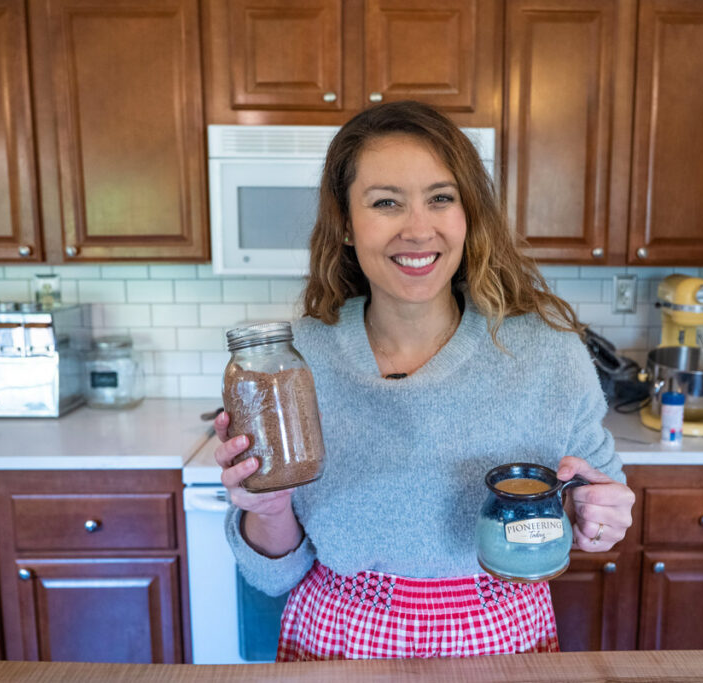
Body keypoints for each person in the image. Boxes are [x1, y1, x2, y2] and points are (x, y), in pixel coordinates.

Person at [213, 100, 635, 661]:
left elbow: (598, 498)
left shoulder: (548, 356)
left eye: (441, 199)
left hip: (503, 638)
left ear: (468, 216)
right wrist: (266, 511)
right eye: (386, 202)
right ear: (344, 223)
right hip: (338, 642)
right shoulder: (289, 364)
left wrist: (601, 516)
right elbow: (273, 575)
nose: (418, 229)